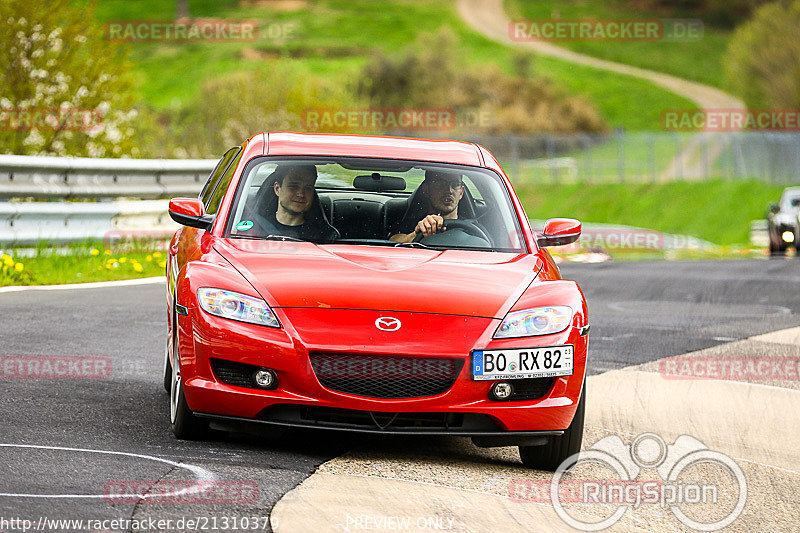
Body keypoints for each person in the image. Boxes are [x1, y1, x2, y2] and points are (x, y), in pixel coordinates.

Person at [252, 164, 338, 242]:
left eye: (308, 188)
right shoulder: (254, 228)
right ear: (277, 189)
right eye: (293, 186)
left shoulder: (325, 236)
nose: (301, 194)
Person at [390, 169, 465, 243]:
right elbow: (392, 242)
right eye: (441, 184)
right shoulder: (413, 223)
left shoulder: (471, 226)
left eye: (455, 184)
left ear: (461, 192)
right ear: (426, 190)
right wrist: (416, 234)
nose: (449, 190)